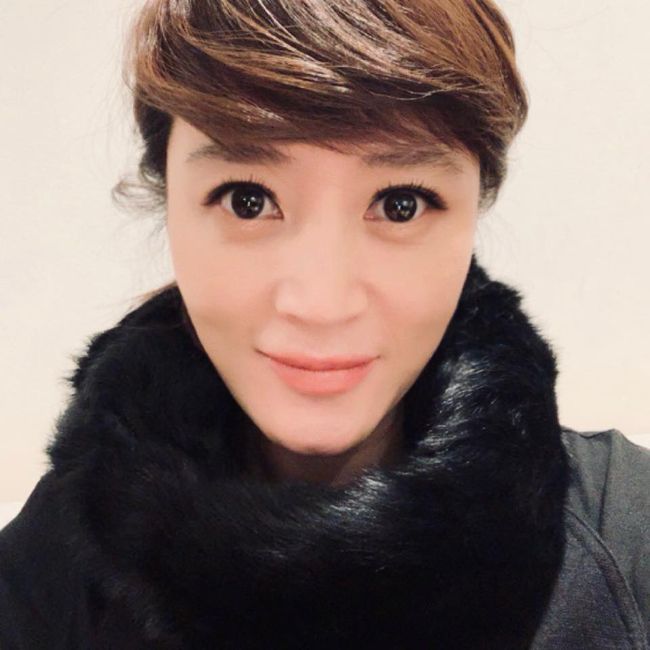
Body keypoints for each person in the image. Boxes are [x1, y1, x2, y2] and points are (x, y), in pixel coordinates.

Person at [0, 0, 648, 647]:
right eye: (248, 200)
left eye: (400, 204)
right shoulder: (52, 568)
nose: (321, 303)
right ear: (170, 200)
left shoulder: (626, 535)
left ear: (472, 211)